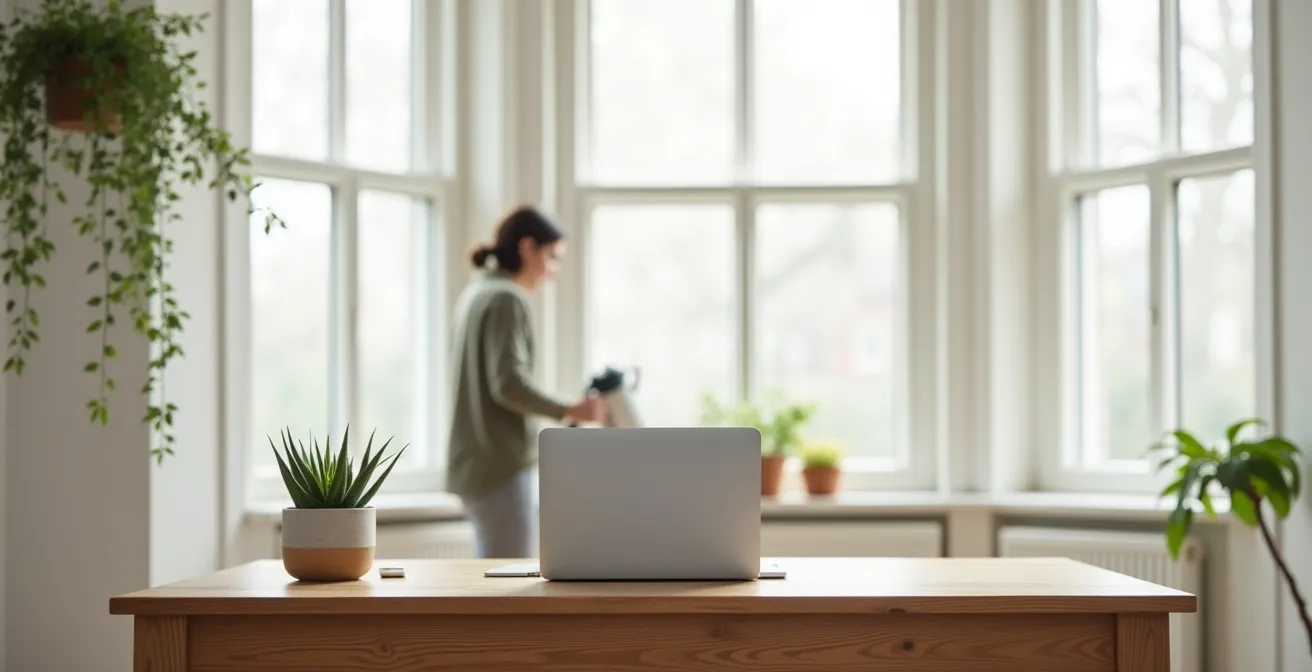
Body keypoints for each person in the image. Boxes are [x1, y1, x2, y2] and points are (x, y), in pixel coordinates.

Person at [446, 205, 605, 559]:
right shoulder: (506, 298)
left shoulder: (477, 292)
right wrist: (571, 408)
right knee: (506, 586)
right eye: (552, 257)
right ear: (527, 247)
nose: (554, 270)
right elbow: (507, 383)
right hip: (499, 464)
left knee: (488, 577)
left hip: (473, 464)